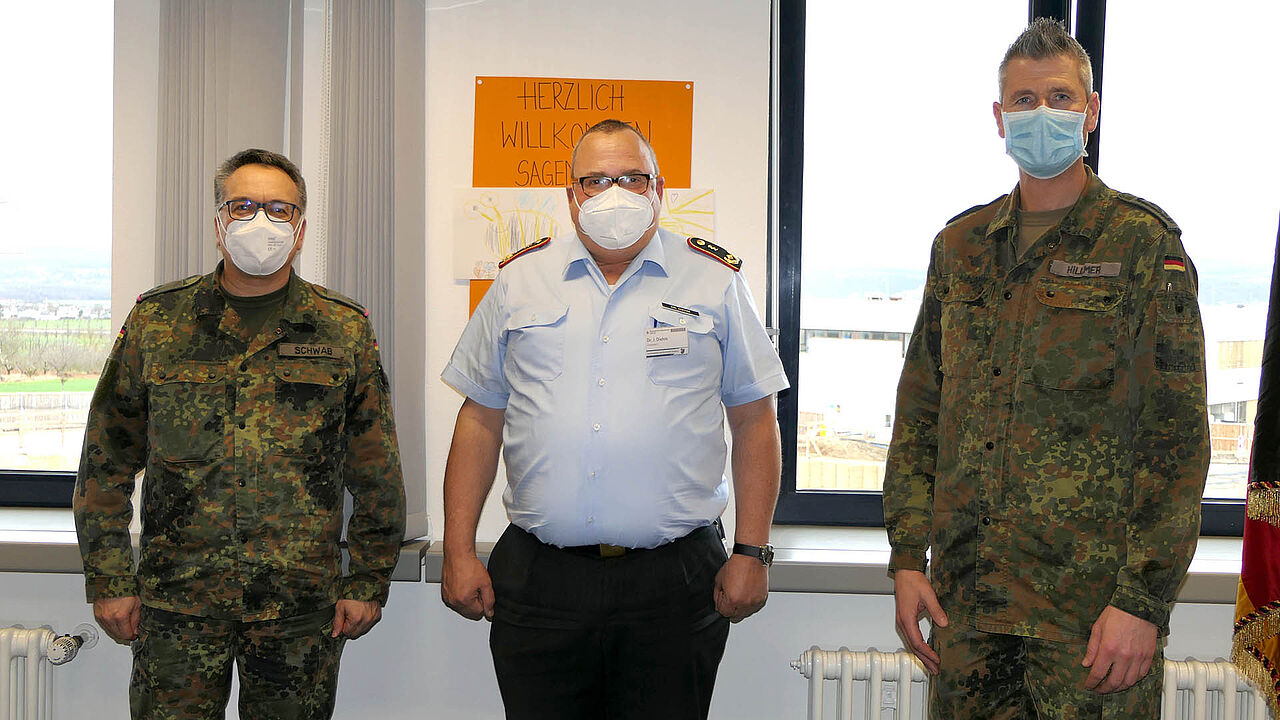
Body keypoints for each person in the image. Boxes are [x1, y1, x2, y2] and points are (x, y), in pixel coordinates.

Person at [883, 18, 1210, 718]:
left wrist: (1142, 603)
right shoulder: (961, 246)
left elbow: (1177, 444)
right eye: (1024, 100)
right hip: (969, 608)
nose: (1042, 114)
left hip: (1089, 619)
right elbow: (919, 414)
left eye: (1060, 97)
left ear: (1091, 112)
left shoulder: (1143, 245)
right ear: (999, 119)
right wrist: (909, 558)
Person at [440, 119, 788, 720]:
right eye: (596, 180)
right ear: (571, 197)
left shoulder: (715, 279)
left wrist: (752, 550)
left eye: (631, 177)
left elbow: (755, 419)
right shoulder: (520, 279)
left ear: (660, 188)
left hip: (674, 582)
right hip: (540, 579)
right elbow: (479, 419)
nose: (614, 193)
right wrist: (457, 548)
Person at [73, 148, 406, 719]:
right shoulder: (158, 322)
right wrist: (108, 577)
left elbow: (376, 470)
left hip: (298, 608)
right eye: (244, 205)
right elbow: (106, 460)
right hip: (177, 603)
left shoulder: (342, 328)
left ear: (300, 230)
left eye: (279, 209)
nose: (261, 222)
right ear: (220, 222)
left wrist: (368, 580)